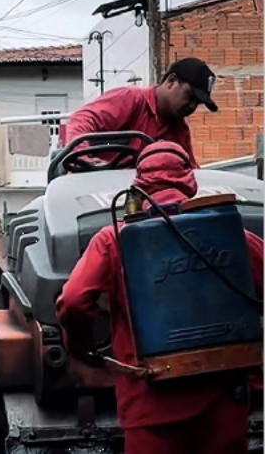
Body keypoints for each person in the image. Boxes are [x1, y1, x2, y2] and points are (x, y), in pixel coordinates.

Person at [55, 141, 263, 454]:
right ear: (191, 183)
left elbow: (73, 299)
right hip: (223, 400)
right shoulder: (234, 236)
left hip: (150, 405)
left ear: (138, 186)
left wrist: (82, 349)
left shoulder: (114, 238)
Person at [63, 57, 219, 169]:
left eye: (197, 103)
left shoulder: (179, 130)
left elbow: (190, 170)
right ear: (171, 81)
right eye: (190, 96)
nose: (191, 106)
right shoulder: (131, 99)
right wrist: (82, 157)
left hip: (139, 202)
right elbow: (82, 119)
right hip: (96, 193)